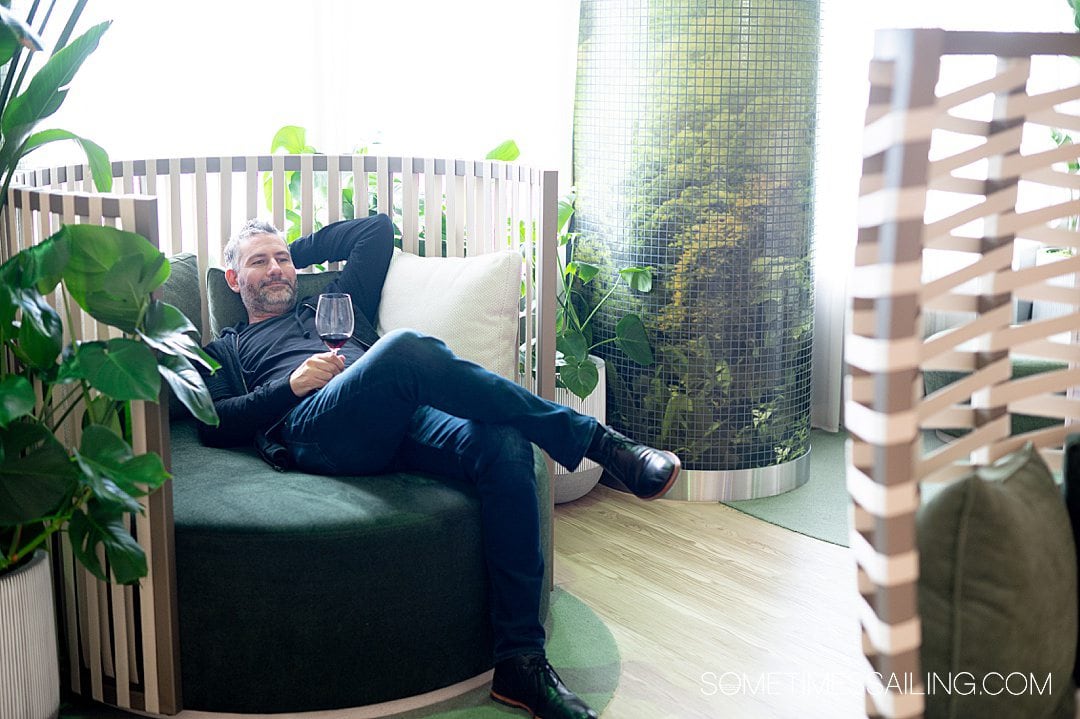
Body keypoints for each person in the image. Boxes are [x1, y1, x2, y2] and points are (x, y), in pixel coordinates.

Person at [198, 213, 681, 719]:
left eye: (282, 260)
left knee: (506, 443)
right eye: (259, 263)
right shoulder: (225, 348)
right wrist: (290, 385)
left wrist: (287, 250)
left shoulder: (334, 303)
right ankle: (600, 444)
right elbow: (213, 421)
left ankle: (521, 663)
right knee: (406, 346)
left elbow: (376, 230)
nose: (276, 270)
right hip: (316, 429)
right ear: (233, 279)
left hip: (397, 418)